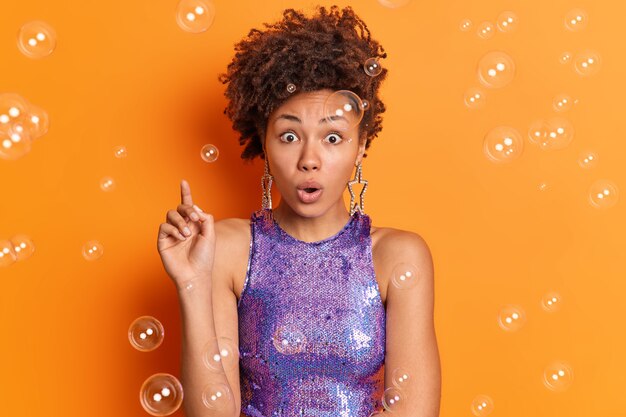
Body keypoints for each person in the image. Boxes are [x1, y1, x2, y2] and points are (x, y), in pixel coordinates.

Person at [157, 5, 441, 417]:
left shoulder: (397, 256)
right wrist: (191, 284)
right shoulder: (227, 249)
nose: (310, 159)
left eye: (332, 137)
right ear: (263, 143)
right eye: (289, 135)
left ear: (361, 146)